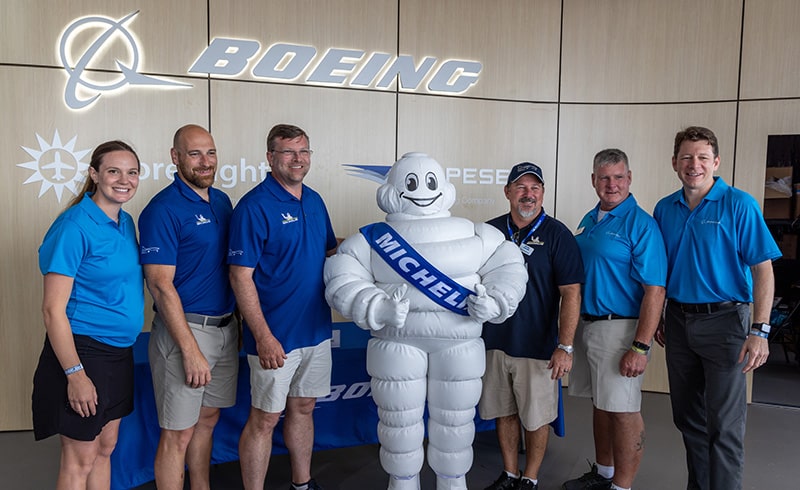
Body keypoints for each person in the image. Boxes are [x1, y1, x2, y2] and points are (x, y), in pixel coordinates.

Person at [324, 152, 528, 490]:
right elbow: (342, 279)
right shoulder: (373, 239)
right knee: (398, 420)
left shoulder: (474, 234)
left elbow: (508, 267)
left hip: (458, 341)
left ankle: (452, 480)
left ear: (443, 187)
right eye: (412, 183)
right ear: (392, 189)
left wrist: (494, 301)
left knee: (456, 419)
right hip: (397, 340)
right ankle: (403, 481)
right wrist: (378, 306)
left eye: (430, 182)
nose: (422, 190)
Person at [652, 126, 780, 490]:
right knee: (688, 420)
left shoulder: (739, 204)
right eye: (687, 157)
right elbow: (663, 271)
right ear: (675, 163)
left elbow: (762, 269)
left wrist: (760, 330)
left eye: (703, 157)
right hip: (677, 322)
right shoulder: (665, 208)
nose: (695, 165)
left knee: (724, 425)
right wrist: (660, 315)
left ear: (716, 162)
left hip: (726, 323)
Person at [228, 124, 338, 490]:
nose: (298, 159)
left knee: (304, 408)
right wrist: (262, 336)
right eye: (288, 152)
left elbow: (327, 250)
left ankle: (302, 484)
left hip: (317, 332)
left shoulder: (315, 200)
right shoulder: (253, 206)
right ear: (270, 157)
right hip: (274, 337)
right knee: (265, 419)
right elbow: (240, 276)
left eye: (304, 151)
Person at [32, 140, 144, 489]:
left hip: (119, 353)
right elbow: (52, 310)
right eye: (113, 171)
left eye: (132, 172)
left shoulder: (125, 222)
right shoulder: (74, 226)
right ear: (95, 174)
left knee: (106, 447)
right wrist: (75, 374)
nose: (123, 179)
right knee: (80, 457)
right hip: (83, 352)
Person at [138, 125, 238, 490]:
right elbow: (160, 285)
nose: (205, 161)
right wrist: (189, 349)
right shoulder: (162, 209)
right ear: (175, 157)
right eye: (194, 154)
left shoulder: (223, 202)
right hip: (185, 333)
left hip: (225, 329)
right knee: (176, 434)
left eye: (210, 152)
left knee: (208, 419)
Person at [564, 149, 667, 490]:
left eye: (619, 177)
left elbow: (655, 290)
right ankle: (604, 474)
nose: (612, 185)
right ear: (593, 180)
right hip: (589, 326)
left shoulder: (641, 225)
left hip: (621, 329)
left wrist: (640, 346)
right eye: (605, 178)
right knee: (602, 405)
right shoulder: (591, 220)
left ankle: (622, 487)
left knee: (623, 410)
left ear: (630, 178)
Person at [480, 162, 584, 490]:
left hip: (538, 347)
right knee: (504, 412)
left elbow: (571, 294)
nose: (529, 194)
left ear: (542, 193)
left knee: (536, 417)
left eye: (535, 188)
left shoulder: (558, 235)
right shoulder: (489, 232)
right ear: (508, 192)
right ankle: (510, 473)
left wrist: (565, 346)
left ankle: (531, 478)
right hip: (495, 342)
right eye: (521, 187)